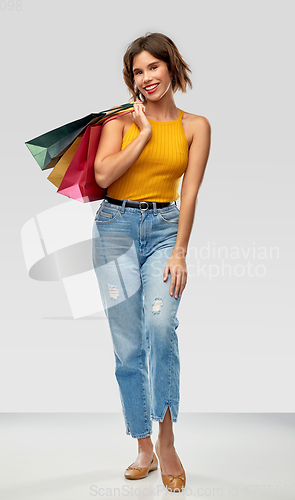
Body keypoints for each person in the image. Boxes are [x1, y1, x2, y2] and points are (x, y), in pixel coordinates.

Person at [92, 32, 211, 493]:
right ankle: (142, 445)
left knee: (160, 327)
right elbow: (104, 174)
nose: (147, 78)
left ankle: (166, 440)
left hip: (164, 230)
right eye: (138, 72)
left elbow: (191, 192)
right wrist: (142, 133)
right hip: (114, 229)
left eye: (153, 68)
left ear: (171, 67)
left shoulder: (195, 125)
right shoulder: (119, 121)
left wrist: (180, 250)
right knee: (127, 344)